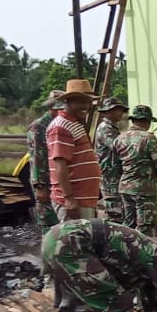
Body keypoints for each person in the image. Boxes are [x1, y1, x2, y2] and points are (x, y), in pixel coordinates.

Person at [47, 79, 103, 222]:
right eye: (81, 102)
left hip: (84, 198)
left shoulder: (74, 123)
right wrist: (69, 198)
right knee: (76, 241)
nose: (86, 106)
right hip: (75, 200)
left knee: (85, 241)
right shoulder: (61, 127)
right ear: (68, 102)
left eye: (88, 102)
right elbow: (60, 163)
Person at [114, 104, 157, 236]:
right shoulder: (149, 138)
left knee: (129, 225)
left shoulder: (119, 138)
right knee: (145, 227)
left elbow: (114, 165)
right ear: (148, 122)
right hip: (144, 190)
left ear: (133, 120)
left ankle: (127, 253)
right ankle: (145, 255)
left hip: (125, 188)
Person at [26, 90, 64, 235]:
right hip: (45, 180)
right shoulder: (39, 126)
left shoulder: (58, 124)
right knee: (48, 221)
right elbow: (36, 156)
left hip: (56, 180)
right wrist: (39, 185)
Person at [94, 96, 128, 222]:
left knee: (118, 210)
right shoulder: (105, 128)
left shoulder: (112, 128)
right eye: (115, 110)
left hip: (114, 175)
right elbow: (118, 146)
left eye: (120, 110)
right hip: (110, 176)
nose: (119, 113)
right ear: (107, 112)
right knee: (114, 213)